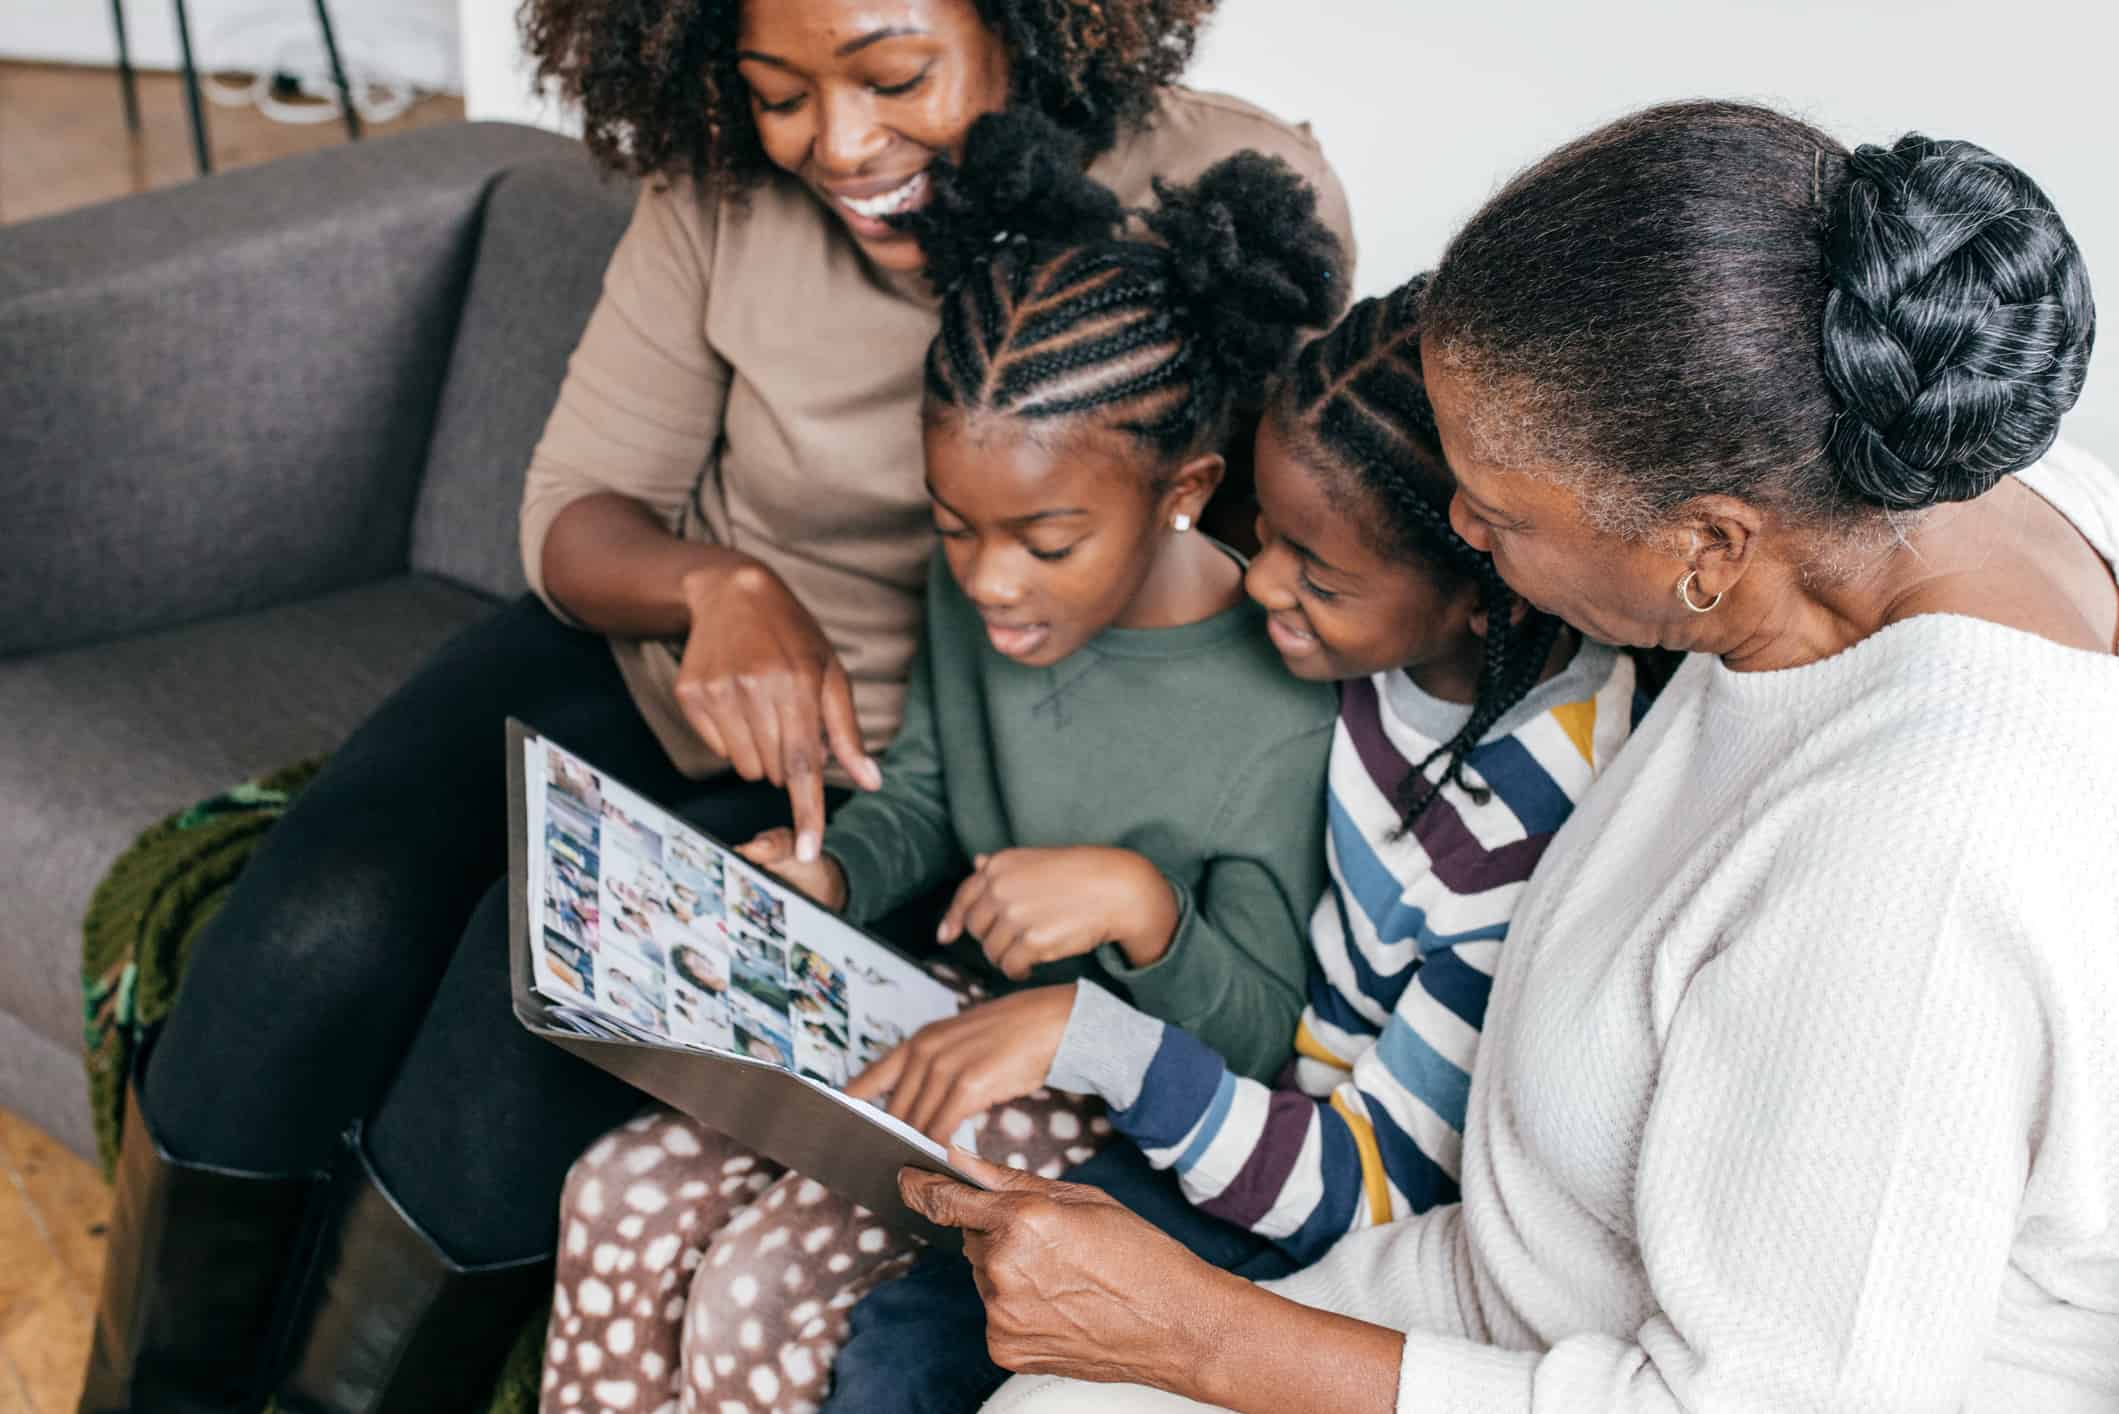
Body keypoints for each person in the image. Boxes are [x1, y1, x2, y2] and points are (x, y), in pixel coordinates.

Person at [80, 1, 1356, 1407]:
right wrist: (717, 587)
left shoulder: (1216, 211)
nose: (841, 141)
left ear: (1032, 25)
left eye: (892, 75)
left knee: (504, 1030)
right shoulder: (718, 194)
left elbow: (1260, 592)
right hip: (664, 648)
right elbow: (570, 518)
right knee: (308, 918)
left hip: (886, 762)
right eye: (777, 89)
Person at [895, 101, 2117, 1414]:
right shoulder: (1889, 461)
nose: (1458, 525)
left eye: (1498, 514)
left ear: (1703, 548)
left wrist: (1187, 1332)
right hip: (1499, 1286)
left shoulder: (1909, 870)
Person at [540, 108, 1346, 1414]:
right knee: (614, 1186)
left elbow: (1259, 1041)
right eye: (953, 525)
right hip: (941, 1009)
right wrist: (833, 878)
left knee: (757, 1298)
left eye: (1042, 537)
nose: (986, 579)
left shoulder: (1280, 707)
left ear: (1185, 488)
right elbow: (919, 791)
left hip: (1120, 1103)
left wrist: (1141, 913)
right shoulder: (975, 587)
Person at [821, 273, 1648, 1413]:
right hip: (1247, 1107)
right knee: (919, 1317)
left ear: (1485, 584)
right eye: (1261, 536)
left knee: (917, 1353)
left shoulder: (1519, 831)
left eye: (1312, 573)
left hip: (1330, 1190)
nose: (1258, 583)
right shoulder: (1381, 642)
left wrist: (1088, 1031)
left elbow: (1367, 1187)